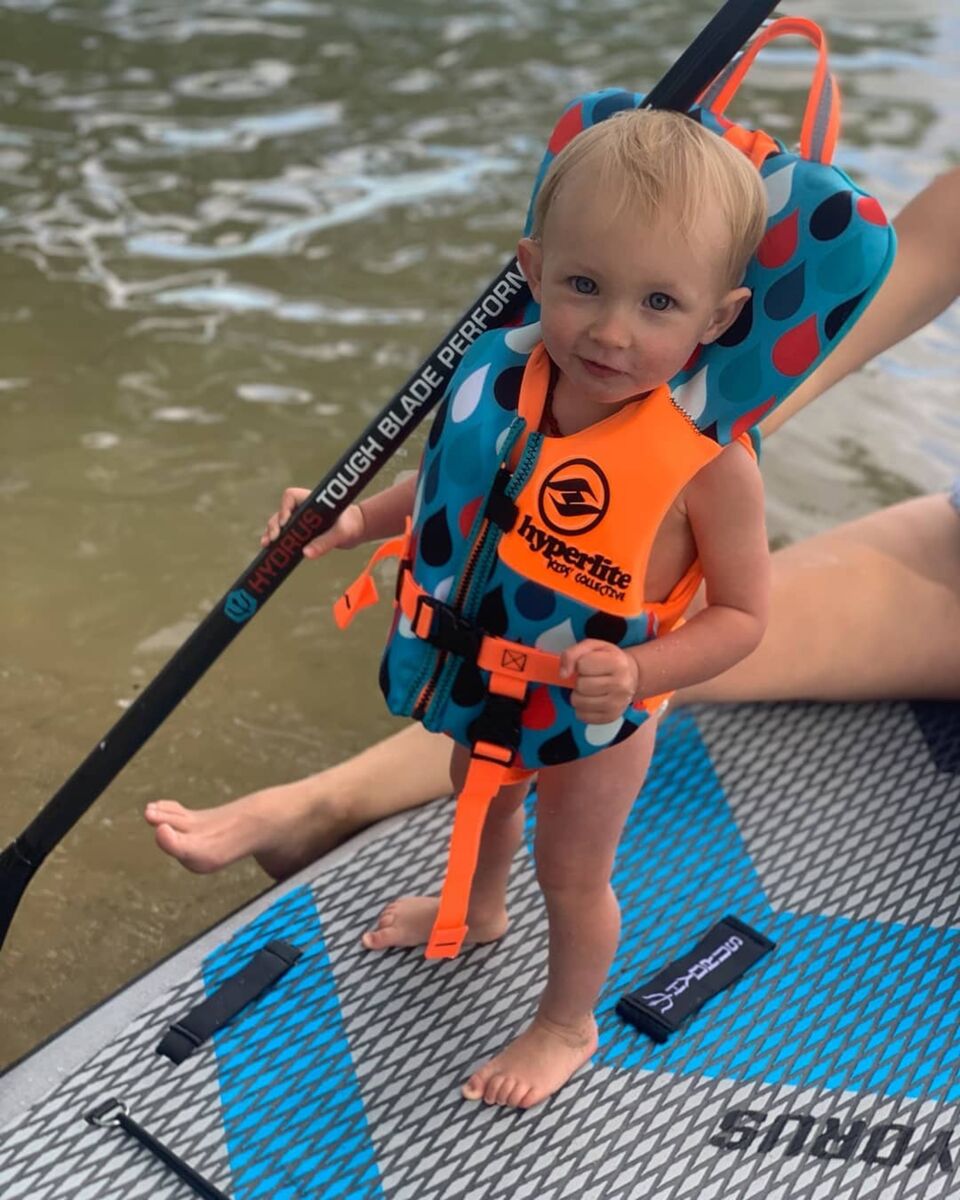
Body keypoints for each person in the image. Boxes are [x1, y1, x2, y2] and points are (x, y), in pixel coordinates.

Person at [146, 162, 960, 1093]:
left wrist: (642, 668)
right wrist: (351, 522)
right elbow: (451, 496)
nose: (612, 330)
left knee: (571, 871)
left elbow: (742, 619)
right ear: (532, 268)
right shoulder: (506, 379)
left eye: (659, 302)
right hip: (488, 667)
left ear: (719, 319)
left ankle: (566, 1025)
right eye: (584, 287)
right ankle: (479, 910)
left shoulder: (712, 465)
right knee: (479, 793)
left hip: (602, 710)